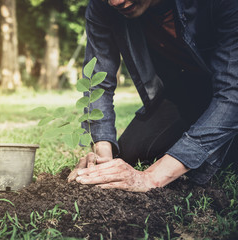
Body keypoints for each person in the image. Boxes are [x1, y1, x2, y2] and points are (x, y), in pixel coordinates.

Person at [67, 0, 238, 192]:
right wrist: (102, 156)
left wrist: (151, 178)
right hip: (185, 93)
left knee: (214, 160)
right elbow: (99, 82)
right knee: (131, 152)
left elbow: (232, 94)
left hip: (227, 91)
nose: (115, 1)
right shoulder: (103, 7)